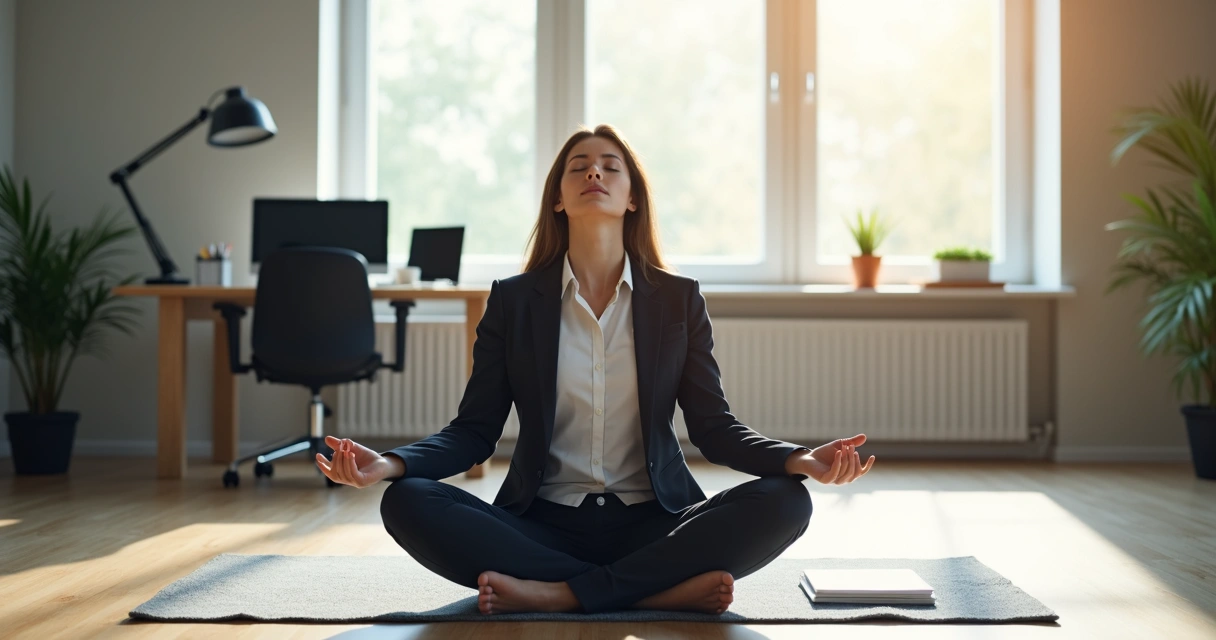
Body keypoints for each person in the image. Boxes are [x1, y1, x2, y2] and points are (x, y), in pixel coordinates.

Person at [315, 124, 876, 616]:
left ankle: (556, 595)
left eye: (611, 167)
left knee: (787, 499)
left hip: (656, 520)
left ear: (633, 197)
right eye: (578, 167)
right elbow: (474, 432)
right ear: (557, 197)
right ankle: (651, 594)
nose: (594, 174)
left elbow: (714, 428)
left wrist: (800, 459)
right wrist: (387, 464)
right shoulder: (513, 302)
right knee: (407, 500)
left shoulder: (677, 299)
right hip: (541, 523)